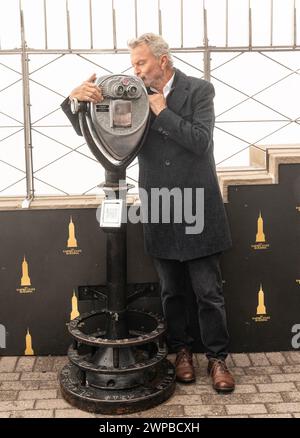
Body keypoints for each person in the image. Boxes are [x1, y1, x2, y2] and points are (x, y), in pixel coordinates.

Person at [61, 33, 235, 393]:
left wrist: (163, 112)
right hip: (160, 206)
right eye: (133, 63)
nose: (134, 70)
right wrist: (75, 101)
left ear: (163, 62)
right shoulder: (131, 92)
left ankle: (217, 358)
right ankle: (181, 352)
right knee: (171, 291)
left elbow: (202, 141)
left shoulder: (199, 90)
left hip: (198, 206)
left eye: (140, 63)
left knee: (207, 291)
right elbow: (94, 129)